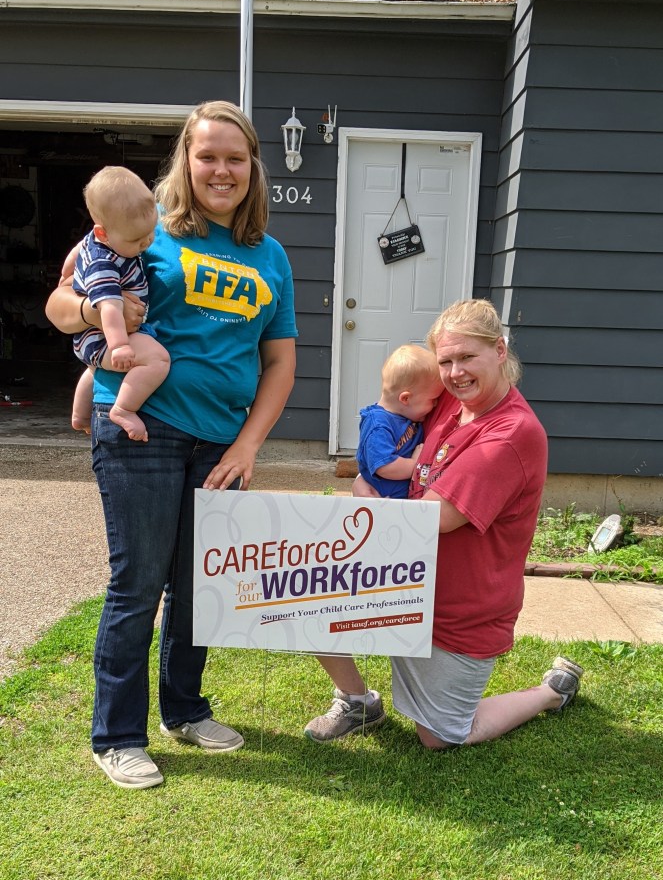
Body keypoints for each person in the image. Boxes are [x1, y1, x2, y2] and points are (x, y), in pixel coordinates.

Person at [45, 100, 297, 789]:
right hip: (142, 429)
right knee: (138, 584)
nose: (221, 170)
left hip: (220, 442)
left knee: (199, 586)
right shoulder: (142, 225)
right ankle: (117, 735)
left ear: (253, 168)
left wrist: (247, 446)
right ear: (186, 160)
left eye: (235, 158)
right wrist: (100, 311)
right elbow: (60, 303)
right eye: (207, 155)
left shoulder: (270, 255)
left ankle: (184, 710)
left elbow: (280, 362)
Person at [306, 298, 583, 747]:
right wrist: (365, 477)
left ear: (499, 349)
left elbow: (433, 518)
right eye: (446, 361)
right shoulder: (446, 404)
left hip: (458, 611)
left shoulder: (510, 433)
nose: (455, 373)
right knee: (303, 594)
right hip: (400, 580)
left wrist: (367, 503)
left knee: (440, 736)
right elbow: (385, 431)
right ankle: (357, 701)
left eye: (467, 357)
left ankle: (550, 692)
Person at [71, 165, 170, 442]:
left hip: (96, 341)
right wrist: (119, 345)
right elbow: (110, 309)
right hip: (103, 337)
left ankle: (79, 415)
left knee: (94, 369)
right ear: (103, 234)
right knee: (157, 359)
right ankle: (124, 409)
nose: (147, 242)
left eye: (150, 233)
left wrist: (69, 267)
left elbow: (76, 252)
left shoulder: (98, 241)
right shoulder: (103, 264)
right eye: (136, 240)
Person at [356, 344, 443, 499]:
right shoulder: (378, 426)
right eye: (433, 399)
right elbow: (385, 466)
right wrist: (416, 463)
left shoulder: (407, 414)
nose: (436, 404)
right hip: (386, 502)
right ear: (406, 399)